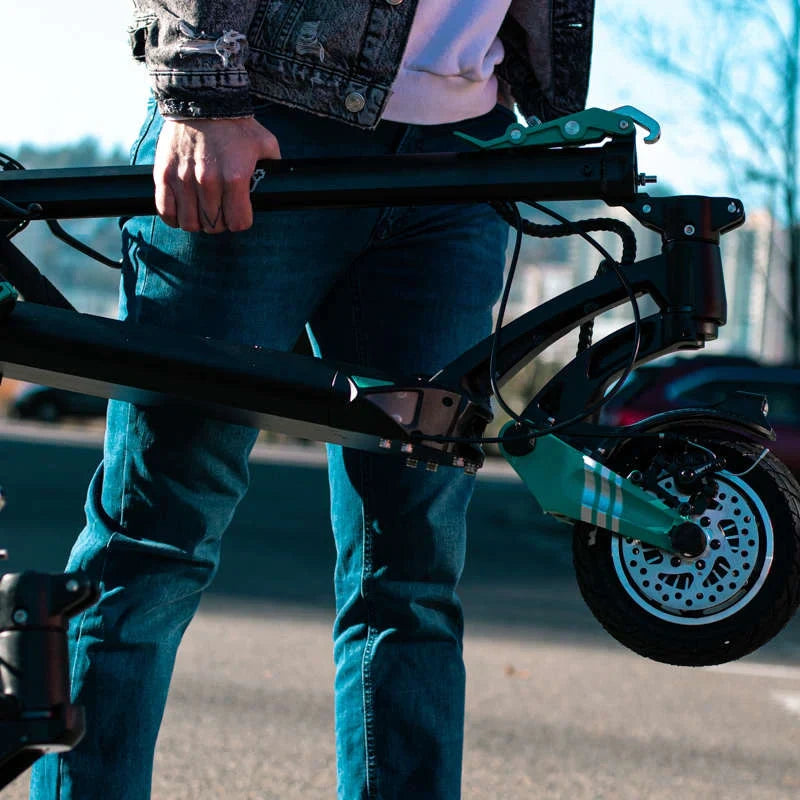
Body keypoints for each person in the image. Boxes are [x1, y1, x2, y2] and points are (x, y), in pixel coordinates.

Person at [30, 2, 595, 798]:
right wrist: (202, 87)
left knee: (413, 571)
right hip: (264, 120)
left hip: (463, 155)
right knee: (155, 539)